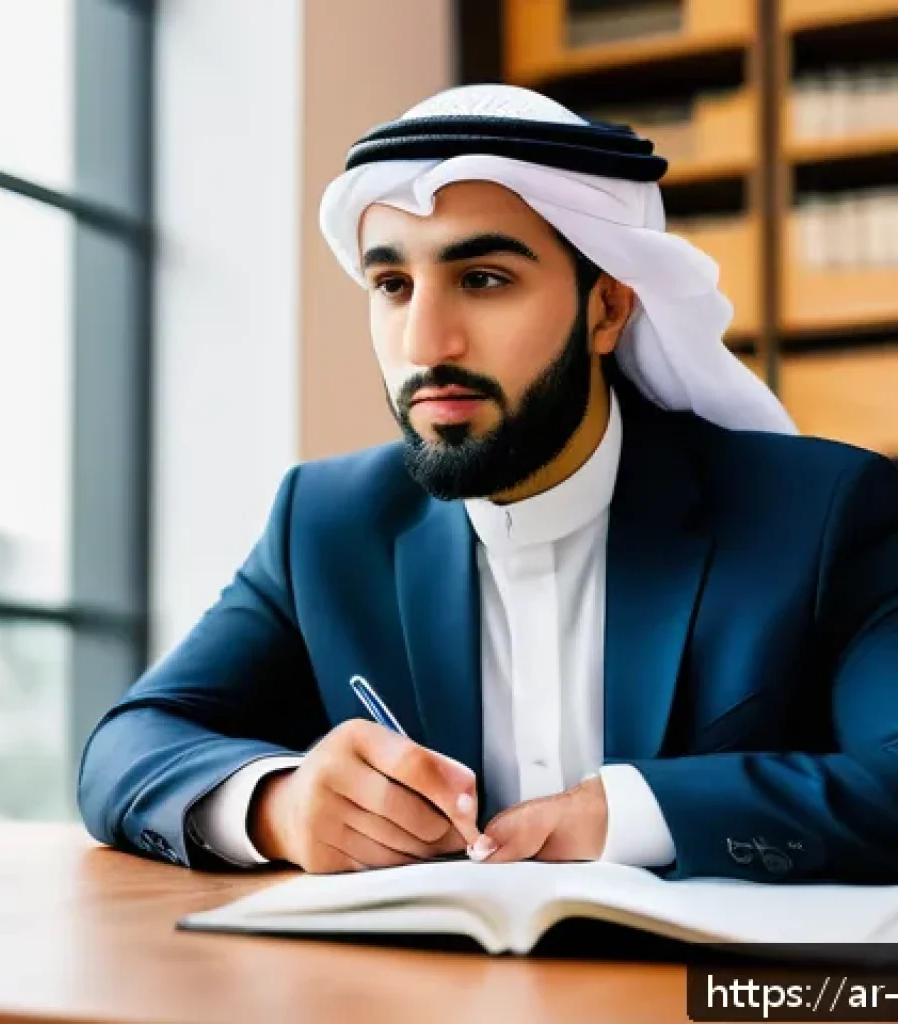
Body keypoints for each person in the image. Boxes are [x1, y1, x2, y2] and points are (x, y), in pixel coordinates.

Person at [78, 83, 898, 883]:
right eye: (392, 286)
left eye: (484, 279)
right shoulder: (326, 523)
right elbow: (130, 745)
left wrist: (633, 813)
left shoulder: (825, 514)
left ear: (607, 309)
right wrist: (281, 806)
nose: (427, 341)